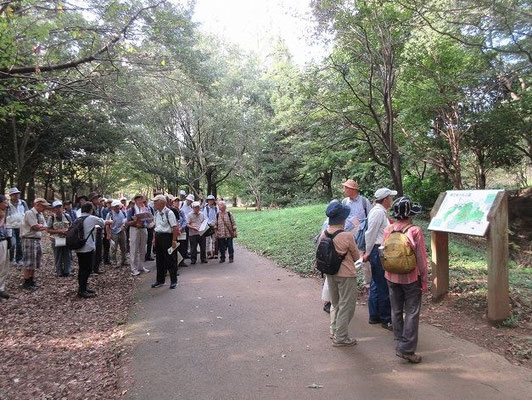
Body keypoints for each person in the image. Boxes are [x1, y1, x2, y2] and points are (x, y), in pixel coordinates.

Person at [384, 197, 428, 363]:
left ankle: (399, 338)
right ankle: (407, 349)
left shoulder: (388, 229)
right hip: (410, 278)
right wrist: (424, 280)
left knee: (395, 308)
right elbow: (421, 259)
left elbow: (384, 252)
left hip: (390, 276)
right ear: (409, 214)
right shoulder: (415, 231)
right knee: (412, 311)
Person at [319, 200, 359, 346]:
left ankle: (334, 331)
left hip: (330, 274)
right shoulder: (347, 236)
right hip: (346, 274)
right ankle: (341, 338)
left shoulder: (324, 234)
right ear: (342, 219)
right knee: (347, 305)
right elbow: (356, 257)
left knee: (335, 303)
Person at [363, 187, 397, 331]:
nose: (392, 200)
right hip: (377, 250)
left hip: (376, 250)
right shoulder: (377, 212)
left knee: (377, 284)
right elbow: (370, 234)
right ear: (385, 199)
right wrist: (368, 252)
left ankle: (374, 315)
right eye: (390, 198)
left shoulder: (380, 212)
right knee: (383, 285)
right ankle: (386, 319)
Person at [75, 203, 112, 298]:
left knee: (82, 268)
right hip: (87, 247)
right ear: (91, 210)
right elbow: (104, 222)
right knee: (87, 269)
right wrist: (111, 221)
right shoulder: (91, 218)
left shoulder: (78, 218)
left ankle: (82, 287)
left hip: (79, 246)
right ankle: (82, 291)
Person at [151, 195, 179, 289]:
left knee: (170, 259)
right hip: (159, 236)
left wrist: (174, 240)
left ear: (162, 203)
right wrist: (155, 238)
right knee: (159, 259)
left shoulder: (169, 213)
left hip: (167, 237)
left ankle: (173, 281)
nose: (154, 204)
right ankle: (160, 280)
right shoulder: (156, 213)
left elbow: (174, 227)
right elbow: (156, 226)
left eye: (155, 202)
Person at [20, 198, 49, 290]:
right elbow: (35, 227)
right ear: (37, 204)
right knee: (29, 261)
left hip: (37, 239)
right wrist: (40, 226)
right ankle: (26, 281)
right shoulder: (29, 213)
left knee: (35, 261)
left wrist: (40, 226)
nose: (44, 208)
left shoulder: (40, 214)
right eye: (43, 206)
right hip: (29, 239)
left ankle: (31, 279)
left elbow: (45, 226)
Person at [126, 194, 151, 275]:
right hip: (134, 229)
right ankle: (133, 268)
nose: (141, 201)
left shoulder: (145, 209)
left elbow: (149, 220)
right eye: (139, 200)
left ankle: (141, 266)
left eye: (142, 199)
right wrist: (135, 221)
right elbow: (127, 222)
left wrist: (147, 221)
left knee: (143, 248)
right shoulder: (131, 210)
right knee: (134, 248)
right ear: (135, 201)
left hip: (143, 229)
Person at [46, 200, 72, 277]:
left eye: (60, 207)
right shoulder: (51, 218)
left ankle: (67, 271)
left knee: (67, 255)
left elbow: (71, 225)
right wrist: (60, 231)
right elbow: (48, 229)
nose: (58, 209)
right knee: (58, 255)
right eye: (56, 207)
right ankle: (59, 271)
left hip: (66, 239)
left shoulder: (67, 216)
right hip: (56, 239)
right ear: (54, 209)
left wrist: (68, 231)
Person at [6, 187, 29, 267]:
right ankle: (11, 259)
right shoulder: (7, 204)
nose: (16, 195)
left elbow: (27, 213)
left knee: (20, 244)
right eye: (14, 194)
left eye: (17, 194)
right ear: (11, 195)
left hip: (21, 226)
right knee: (12, 243)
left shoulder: (23, 203)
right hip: (10, 226)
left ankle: (19, 259)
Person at [106, 200, 128, 266]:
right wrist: (108, 234)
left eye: (118, 206)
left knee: (123, 247)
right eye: (115, 207)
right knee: (113, 248)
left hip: (122, 231)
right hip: (113, 232)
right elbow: (107, 224)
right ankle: (113, 261)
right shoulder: (110, 214)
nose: (117, 208)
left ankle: (124, 260)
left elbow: (126, 221)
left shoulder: (123, 213)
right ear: (112, 207)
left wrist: (124, 226)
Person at [89, 192, 104, 273]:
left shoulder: (99, 208)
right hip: (92, 232)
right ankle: (91, 269)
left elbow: (101, 219)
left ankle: (96, 268)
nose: (98, 200)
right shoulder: (90, 208)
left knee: (98, 250)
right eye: (96, 198)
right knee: (92, 250)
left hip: (98, 231)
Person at [0, 195, 10, 299]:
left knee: (4, 266)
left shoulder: (3, 212)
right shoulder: (2, 214)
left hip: (4, 240)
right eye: (4, 202)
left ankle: (1, 288)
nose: (6, 204)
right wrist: (3, 218)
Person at [204, 195, 218, 259]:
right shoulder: (206, 208)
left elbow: (217, 216)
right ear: (207, 201)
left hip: (215, 226)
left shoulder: (216, 208)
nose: (210, 201)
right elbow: (205, 217)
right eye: (209, 200)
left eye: (212, 200)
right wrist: (210, 224)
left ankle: (214, 252)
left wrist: (215, 224)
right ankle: (208, 253)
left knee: (214, 240)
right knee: (207, 240)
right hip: (207, 226)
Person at [144, 197, 156, 262]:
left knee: (149, 242)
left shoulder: (150, 208)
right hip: (144, 227)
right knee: (144, 242)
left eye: (145, 201)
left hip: (150, 227)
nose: (144, 203)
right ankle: (143, 255)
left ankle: (148, 255)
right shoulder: (141, 209)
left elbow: (153, 216)